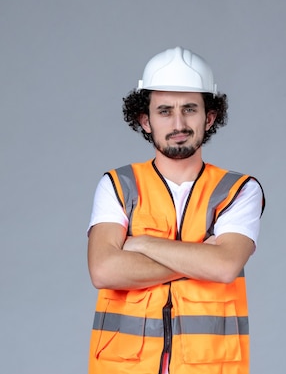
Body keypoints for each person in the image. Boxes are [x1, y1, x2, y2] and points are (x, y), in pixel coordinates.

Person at [87, 46, 265, 374]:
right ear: (145, 120)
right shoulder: (118, 185)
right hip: (124, 366)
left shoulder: (238, 190)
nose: (179, 123)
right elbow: (104, 270)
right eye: (165, 111)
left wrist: (140, 244)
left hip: (210, 366)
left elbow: (225, 266)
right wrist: (201, 259)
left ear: (209, 117)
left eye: (190, 110)